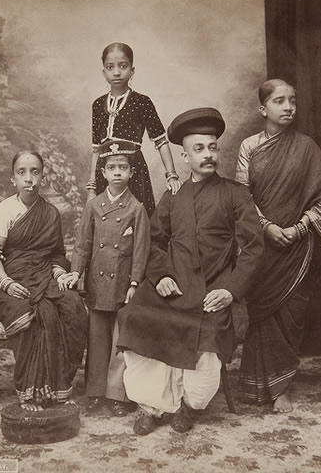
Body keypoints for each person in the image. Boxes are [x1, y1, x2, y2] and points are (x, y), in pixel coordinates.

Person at [117, 108, 264, 435]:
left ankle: (189, 405)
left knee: (207, 335)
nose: (208, 154)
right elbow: (154, 242)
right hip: (173, 284)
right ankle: (150, 405)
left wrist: (229, 290)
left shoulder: (236, 194)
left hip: (213, 288)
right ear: (185, 157)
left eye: (212, 147)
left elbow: (254, 247)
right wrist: (163, 275)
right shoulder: (173, 198)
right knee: (134, 317)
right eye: (199, 149)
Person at [235, 79, 321, 413]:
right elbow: (243, 197)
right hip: (263, 245)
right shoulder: (249, 147)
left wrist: (300, 227)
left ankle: (281, 388)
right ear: (263, 109)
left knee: (291, 315)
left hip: (297, 245)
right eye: (279, 101)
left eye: (292, 100)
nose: (288, 106)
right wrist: (268, 227)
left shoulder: (306, 147)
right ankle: (257, 383)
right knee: (264, 313)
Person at [0, 150, 87, 411]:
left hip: (43, 275)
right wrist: (5, 282)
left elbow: (57, 253)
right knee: (30, 315)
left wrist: (60, 273)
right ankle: (29, 390)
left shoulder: (50, 213)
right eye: (22, 172)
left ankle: (58, 386)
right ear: (13, 178)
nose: (29, 178)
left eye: (35, 172)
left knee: (72, 307)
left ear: (43, 176)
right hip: (6, 279)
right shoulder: (4, 210)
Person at [63, 140, 151, 417]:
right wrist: (77, 272)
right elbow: (83, 244)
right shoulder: (93, 205)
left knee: (117, 341)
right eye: (111, 167)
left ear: (131, 173)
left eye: (122, 168)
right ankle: (95, 392)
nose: (116, 173)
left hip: (122, 283)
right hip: (97, 283)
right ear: (102, 173)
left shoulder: (136, 209)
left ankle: (117, 394)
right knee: (97, 337)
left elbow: (140, 252)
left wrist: (135, 283)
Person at [86, 42, 183, 216]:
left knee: (136, 218)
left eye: (123, 66)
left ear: (132, 70)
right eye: (110, 67)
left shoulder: (142, 102)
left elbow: (161, 141)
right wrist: (92, 187)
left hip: (133, 167)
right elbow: (96, 150)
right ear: (103, 72)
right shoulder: (98, 104)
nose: (116, 72)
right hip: (105, 169)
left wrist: (172, 175)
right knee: (105, 219)